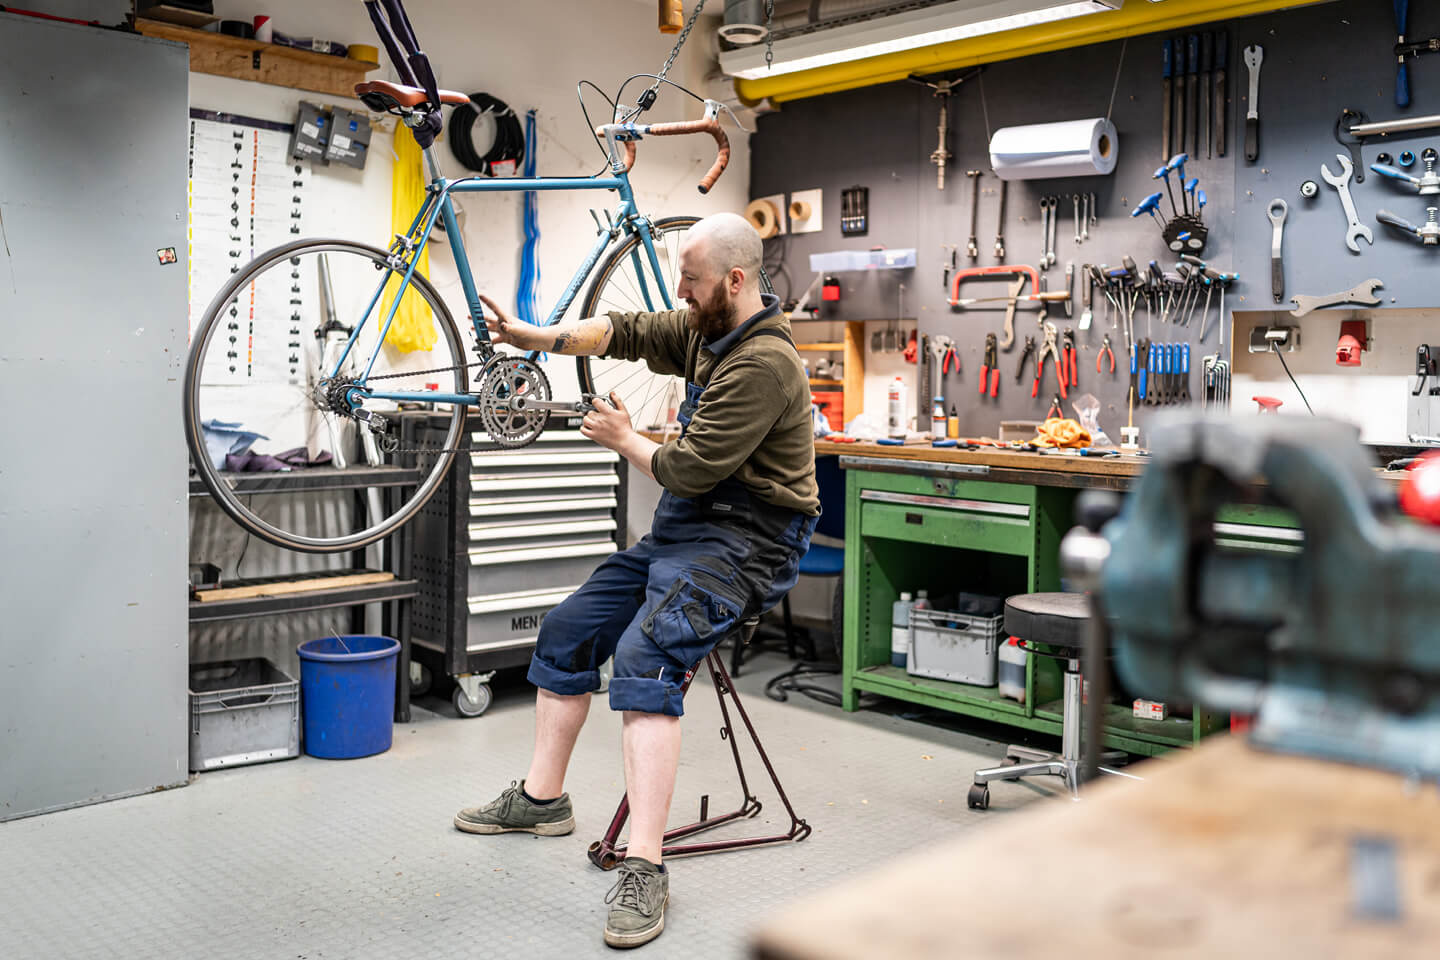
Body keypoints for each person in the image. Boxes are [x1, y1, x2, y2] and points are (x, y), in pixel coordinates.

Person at [454, 212, 819, 949]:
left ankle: (646, 865)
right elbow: (621, 329)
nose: (679, 291)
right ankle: (541, 799)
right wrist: (537, 337)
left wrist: (626, 438)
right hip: (685, 532)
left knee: (648, 654)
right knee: (565, 631)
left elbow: (684, 468)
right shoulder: (705, 328)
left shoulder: (765, 364)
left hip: (750, 544)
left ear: (735, 281)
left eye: (690, 278)